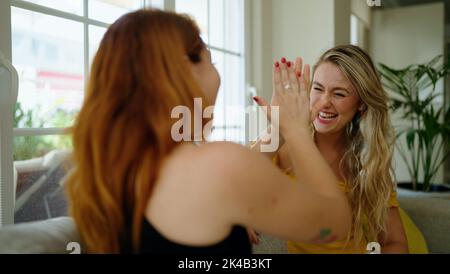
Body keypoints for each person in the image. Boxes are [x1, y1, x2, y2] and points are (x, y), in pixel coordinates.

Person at [65, 9, 351, 254]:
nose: (217, 73)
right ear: (182, 72)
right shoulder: (217, 166)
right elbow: (335, 227)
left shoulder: (113, 171)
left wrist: (278, 130)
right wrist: (297, 130)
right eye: (209, 60)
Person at [252, 45, 411, 253]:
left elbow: (396, 243)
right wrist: (281, 128)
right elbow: (236, 176)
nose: (324, 102)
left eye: (339, 94)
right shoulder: (286, 149)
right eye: (317, 89)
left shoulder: (369, 162)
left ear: (361, 105)